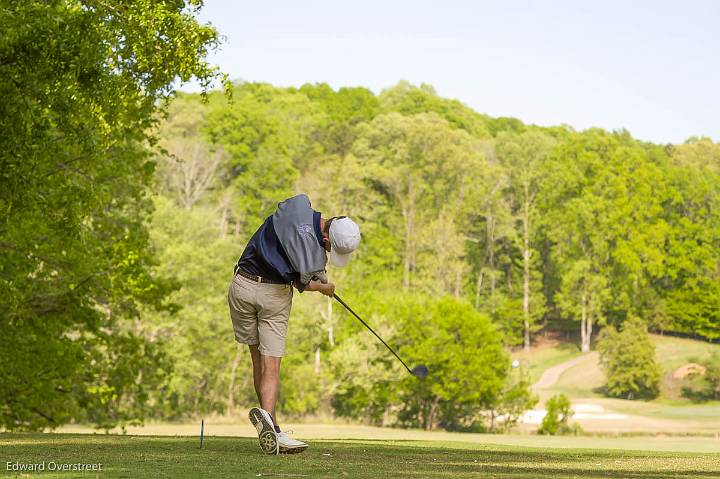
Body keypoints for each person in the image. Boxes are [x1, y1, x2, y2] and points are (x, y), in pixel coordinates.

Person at [227, 194, 361, 455]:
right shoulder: (312, 259)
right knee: (271, 365)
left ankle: (272, 426)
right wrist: (325, 288)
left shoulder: (299, 205)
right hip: (273, 296)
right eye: (331, 248)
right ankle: (274, 430)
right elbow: (304, 283)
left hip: (241, 285)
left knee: (258, 361)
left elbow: (303, 227)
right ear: (326, 240)